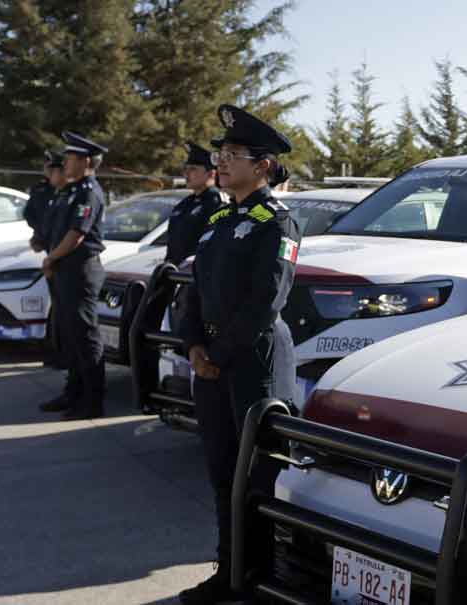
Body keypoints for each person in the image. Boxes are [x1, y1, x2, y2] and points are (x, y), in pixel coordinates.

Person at [176, 104, 299, 605]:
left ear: (263, 165)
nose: (221, 162)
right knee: (222, 471)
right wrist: (193, 344)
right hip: (212, 361)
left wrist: (219, 353)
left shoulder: (277, 222)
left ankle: (257, 578)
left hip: (253, 359)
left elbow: (264, 303)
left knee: (255, 475)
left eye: (233, 155)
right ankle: (229, 571)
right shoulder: (220, 217)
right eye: (220, 154)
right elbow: (195, 289)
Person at [38, 131, 109, 421]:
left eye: (71, 158)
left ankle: (92, 401)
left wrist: (52, 257)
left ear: (87, 161)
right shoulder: (70, 190)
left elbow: (76, 234)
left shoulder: (88, 192)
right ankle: (73, 392)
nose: (66, 163)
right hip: (64, 269)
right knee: (69, 335)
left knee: (84, 335)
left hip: (80, 269)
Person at [26, 150, 68, 369]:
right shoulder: (46, 191)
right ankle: (57, 350)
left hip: (64, 255)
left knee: (66, 308)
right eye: (48, 168)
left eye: (54, 168)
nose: (50, 172)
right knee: (57, 305)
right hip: (52, 250)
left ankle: (64, 354)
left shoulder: (71, 194)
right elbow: (31, 215)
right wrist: (40, 236)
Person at [167, 142, 225, 266]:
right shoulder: (186, 202)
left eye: (193, 169)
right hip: (176, 272)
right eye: (186, 169)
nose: (187, 174)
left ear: (211, 174)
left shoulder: (217, 202)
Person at [25, 150, 65, 253]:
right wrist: (40, 231)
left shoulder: (68, 191)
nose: (49, 170)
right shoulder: (39, 188)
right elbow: (28, 213)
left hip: (61, 242)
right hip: (42, 239)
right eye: (47, 166)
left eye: (52, 168)